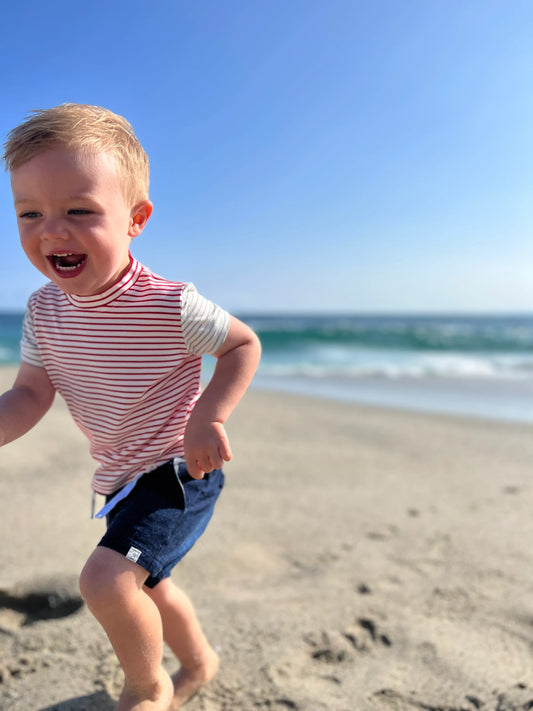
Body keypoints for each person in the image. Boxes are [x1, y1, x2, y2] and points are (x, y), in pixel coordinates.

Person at [0, 104, 261, 711]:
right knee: (154, 588)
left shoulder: (170, 304)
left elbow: (242, 345)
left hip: (179, 469)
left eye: (79, 211)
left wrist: (209, 416)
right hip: (121, 478)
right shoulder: (43, 312)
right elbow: (32, 393)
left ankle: (147, 689)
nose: (52, 231)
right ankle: (200, 663)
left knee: (106, 580)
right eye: (29, 213)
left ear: (135, 219)